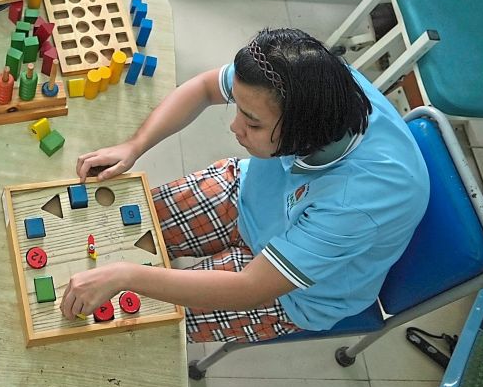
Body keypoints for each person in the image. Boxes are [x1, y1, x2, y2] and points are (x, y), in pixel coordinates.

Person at [62, 28, 429, 345]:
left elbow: (250, 288)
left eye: (252, 124)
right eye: (238, 109)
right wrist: (134, 145)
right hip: (249, 195)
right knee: (109, 230)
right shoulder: (316, 80)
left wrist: (129, 275)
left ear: (303, 130)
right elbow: (206, 87)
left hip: (294, 292)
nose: (235, 128)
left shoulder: (360, 202)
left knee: (122, 321)